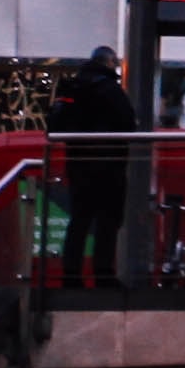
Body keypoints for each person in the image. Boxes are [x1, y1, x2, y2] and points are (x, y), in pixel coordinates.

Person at [55, 48, 139, 289]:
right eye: (116, 63)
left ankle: (70, 275)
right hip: (108, 166)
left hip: (78, 166)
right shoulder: (111, 90)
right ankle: (103, 273)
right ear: (109, 62)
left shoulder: (74, 88)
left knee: (79, 221)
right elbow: (128, 123)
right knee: (107, 221)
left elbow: (57, 125)